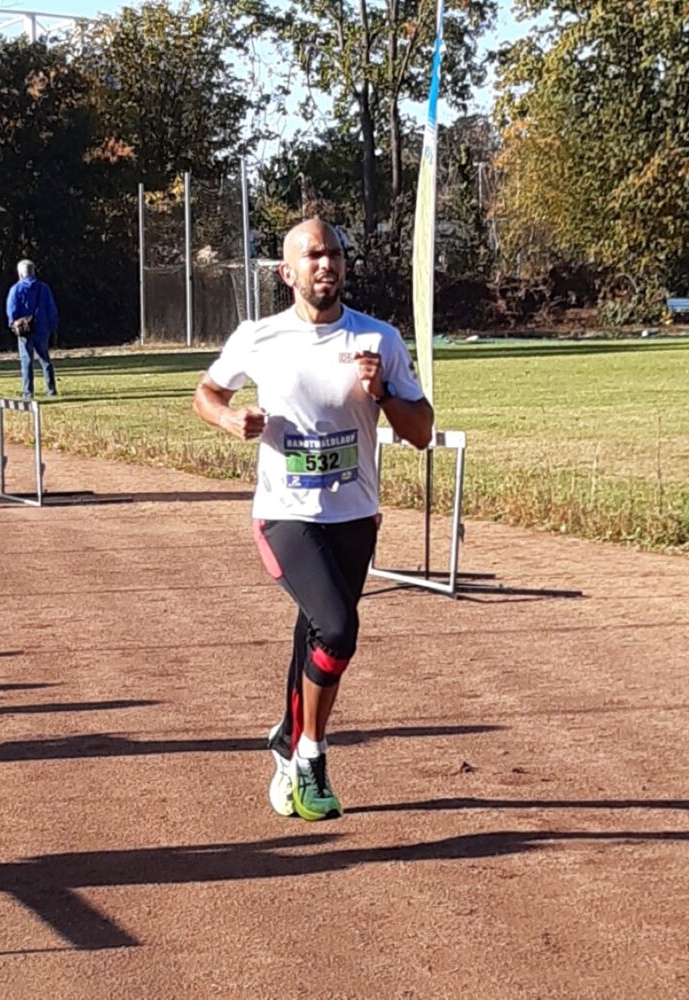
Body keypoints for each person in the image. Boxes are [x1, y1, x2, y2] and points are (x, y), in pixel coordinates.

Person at [193, 219, 434, 821]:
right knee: (338, 628)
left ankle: (286, 739)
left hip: (354, 516)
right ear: (287, 272)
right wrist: (228, 420)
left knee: (317, 631)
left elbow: (422, 432)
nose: (327, 264)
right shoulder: (259, 337)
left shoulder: (379, 339)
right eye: (314, 255)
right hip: (285, 515)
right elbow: (206, 393)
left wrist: (383, 393)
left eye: (335, 254)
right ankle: (310, 756)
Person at [5, 259, 59, 400]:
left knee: (26, 361)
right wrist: (53, 328)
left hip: (25, 330)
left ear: (20, 273)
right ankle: (51, 390)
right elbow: (52, 309)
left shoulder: (16, 289)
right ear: (33, 272)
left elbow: (11, 310)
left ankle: (28, 392)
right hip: (43, 329)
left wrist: (13, 324)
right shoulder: (44, 288)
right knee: (45, 359)